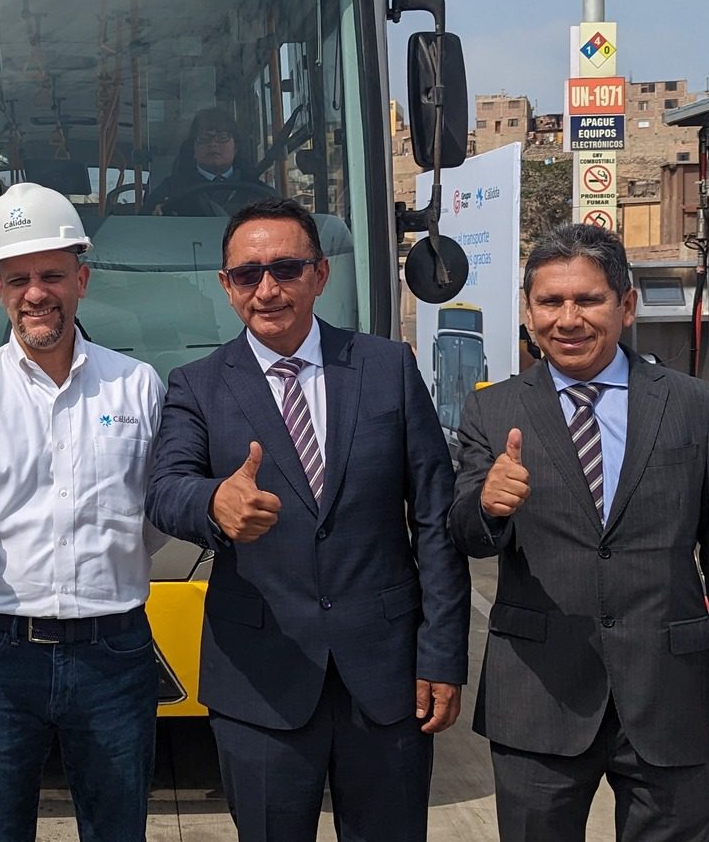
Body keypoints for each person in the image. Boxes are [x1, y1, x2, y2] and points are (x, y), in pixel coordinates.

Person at [146, 197, 469, 842]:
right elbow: (164, 489)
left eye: (286, 269)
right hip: (260, 678)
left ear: (320, 276)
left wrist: (442, 655)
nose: (267, 289)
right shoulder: (197, 384)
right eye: (247, 275)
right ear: (226, 287)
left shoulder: (388, 368)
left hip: (387, 675)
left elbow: (435, 520)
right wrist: (214, 503)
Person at [449, 223, 709, 842]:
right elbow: (462, 534)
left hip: (670, 695)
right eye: (550, 302)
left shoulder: (692, 406)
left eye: (588, 300)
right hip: (539, 697)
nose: (568, 319)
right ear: (528, 309)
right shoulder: (493, 410)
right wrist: (488, 507)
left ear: (626, 304)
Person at [0, 181, 166, 842]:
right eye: (17, 279)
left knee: (118, 829)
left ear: (82, 279)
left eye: (51, 275)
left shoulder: (137, 386)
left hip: (114, 652)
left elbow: (157, 520)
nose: (35, 293)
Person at [145, 108, 272, 216]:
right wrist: (157, 215)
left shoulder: (259, 192)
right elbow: (142, 229)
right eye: (204, 139)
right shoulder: (170, 189)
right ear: (193, 150)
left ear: (236, 147)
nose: (213, 144)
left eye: (222, 138)